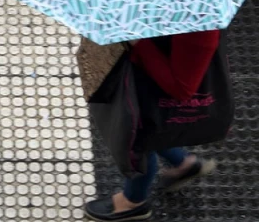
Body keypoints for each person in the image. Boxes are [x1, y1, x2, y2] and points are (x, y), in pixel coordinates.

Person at [84, 29, 221, 221]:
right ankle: (183, 162)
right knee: (149, 129)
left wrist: (138, 43)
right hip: (141, 77)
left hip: (154, 89)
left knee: (140, 138)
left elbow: (182, 88)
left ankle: (134, 201)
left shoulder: (199, 30)